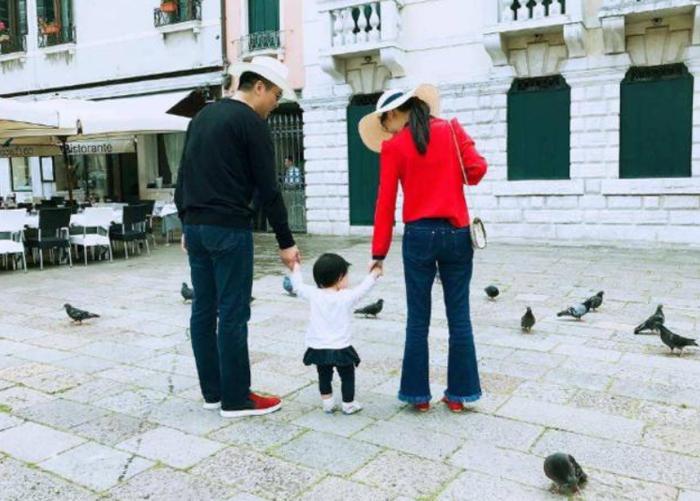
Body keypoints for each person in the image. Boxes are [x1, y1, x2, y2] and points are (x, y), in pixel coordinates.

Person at [175, 56, 300, 418]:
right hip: (228, 227)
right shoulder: (251, 123)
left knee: (203, 309)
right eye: (276, 95)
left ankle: (212, 392)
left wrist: (186, 221)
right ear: (259, 86)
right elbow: (268, 188)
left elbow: (184, 174)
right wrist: (286, 241)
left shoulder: (202, 116)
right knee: (233, 311)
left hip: (197, 227)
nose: (276, 104)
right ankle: (236, 398)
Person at [359, 85, 488, 413]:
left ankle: (418, 397)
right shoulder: (451, 130)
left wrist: (379, 253)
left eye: (385, 123)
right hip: (457, 234)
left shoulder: (394, 147)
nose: (387, 130)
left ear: (392, 113)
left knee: (418, 320)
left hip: (418, 236)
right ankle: (460, 396)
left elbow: (385, 202)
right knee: (460, 318)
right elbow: (476, 172)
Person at [289, 253, 381, 415]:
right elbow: (363, 289)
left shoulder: (313, 294)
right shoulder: (346, 297)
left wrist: (295, 266)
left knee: (324, 375)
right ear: (339, 277)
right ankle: (348, 404)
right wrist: (374, 274)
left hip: (318, 347)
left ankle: (327, 403)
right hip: (341, 347)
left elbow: (297, 286)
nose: (348, 279)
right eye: (346, 275)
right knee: (347, 376)